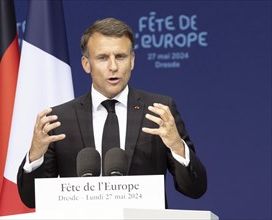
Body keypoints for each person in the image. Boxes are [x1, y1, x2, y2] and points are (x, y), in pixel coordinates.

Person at [17, 18, 207, 208]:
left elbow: (195, 189)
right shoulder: (59, 119)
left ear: (132, 60)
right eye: (102, 58)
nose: (113, 66)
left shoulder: (158, 111)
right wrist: (35, 156)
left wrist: (177, 147)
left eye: (121, 56)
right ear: (86, 64)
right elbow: (31, 199)